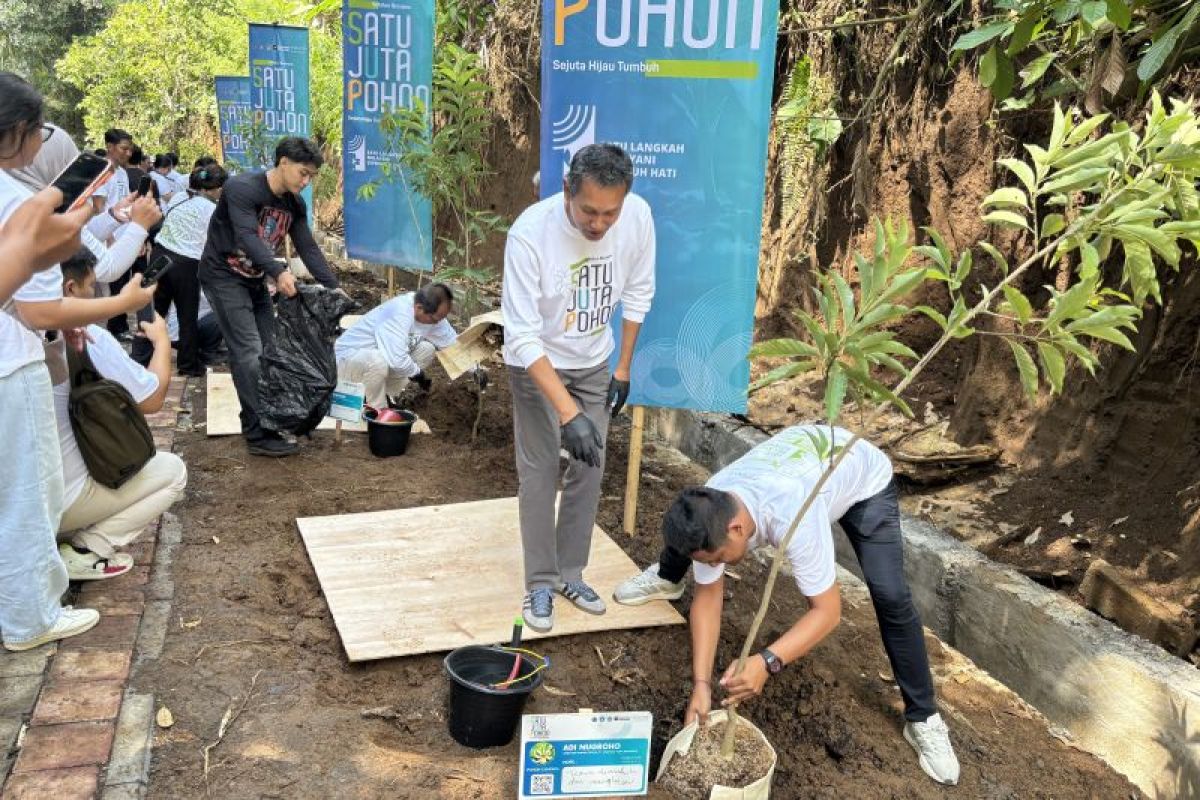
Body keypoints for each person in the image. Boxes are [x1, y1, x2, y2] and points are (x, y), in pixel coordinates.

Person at [615, 425, 960, 786]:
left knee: (891, 594)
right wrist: (701, 684)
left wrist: (768, 661)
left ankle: (923, 718)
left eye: (716, 559)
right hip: (801, 462)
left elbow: (827, 612)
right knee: (683, 539)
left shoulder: (792, 515)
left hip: (860, 476)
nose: (714, 565)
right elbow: (708, 595)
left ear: (736, 529)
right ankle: (668, 575)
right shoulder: (711, 507)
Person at [0, 73, 148, 652]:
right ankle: (29, 618)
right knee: (25, 494)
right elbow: (36, 310)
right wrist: (125, 302)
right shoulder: (18, 202)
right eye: (40, 132)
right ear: (18, 133)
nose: (43, 144)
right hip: (10, 370)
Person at [501, 143, 655, 632]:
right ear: (568, 190)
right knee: (541, 469)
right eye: (589, 211)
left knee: (591, 467)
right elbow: (521, 335)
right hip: (537, 364)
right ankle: (540, 583)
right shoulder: (530, 234)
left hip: (594, 361)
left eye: (610, 213)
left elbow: (638, 292)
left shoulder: (637, 218)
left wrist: (623, 369)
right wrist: (569, 415)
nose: (599, 224)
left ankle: (571, 573)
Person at [198, 136, 340, 457]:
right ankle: (259, 434)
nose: (306, 182)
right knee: (249, 351)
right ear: (283, 163)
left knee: (270, 352)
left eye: (311, 177)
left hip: (254, 279)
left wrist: (334, 287)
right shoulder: (242, 189)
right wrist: (278, 271)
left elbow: (308, 247)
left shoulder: (294, 204)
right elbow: (247, 236)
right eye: (303, 173)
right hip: (223, 276)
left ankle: (261, 421)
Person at [55, 249, 188, 579]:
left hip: (14, 503)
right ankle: (86, 549)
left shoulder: (17, 335)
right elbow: (153, 398)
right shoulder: (86, 337)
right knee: (172, 472)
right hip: (57, 503)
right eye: (92, 286)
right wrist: (160, 343)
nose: (96, 293)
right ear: (71, 289)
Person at [146, 164, 227, 376]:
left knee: (154, 310)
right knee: (187, 315)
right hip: (186, 263)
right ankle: (188, 366)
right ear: (216, 189)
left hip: (159, 254)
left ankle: (142, 358)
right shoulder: (212, 210)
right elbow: (216, 244)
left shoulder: (179, 198)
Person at [335, 283, 457, 409]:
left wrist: (476, 369)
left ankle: (384, 394)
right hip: (344, 363)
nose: (437, 323)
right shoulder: (399, 312)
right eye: (434, 319)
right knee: (377, 360)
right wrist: (418, 374)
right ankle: (377, 410)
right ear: (419, 307)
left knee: (426, 350)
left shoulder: (431, 315)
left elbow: (453, 344)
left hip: (375, 363)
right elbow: (397, 360)